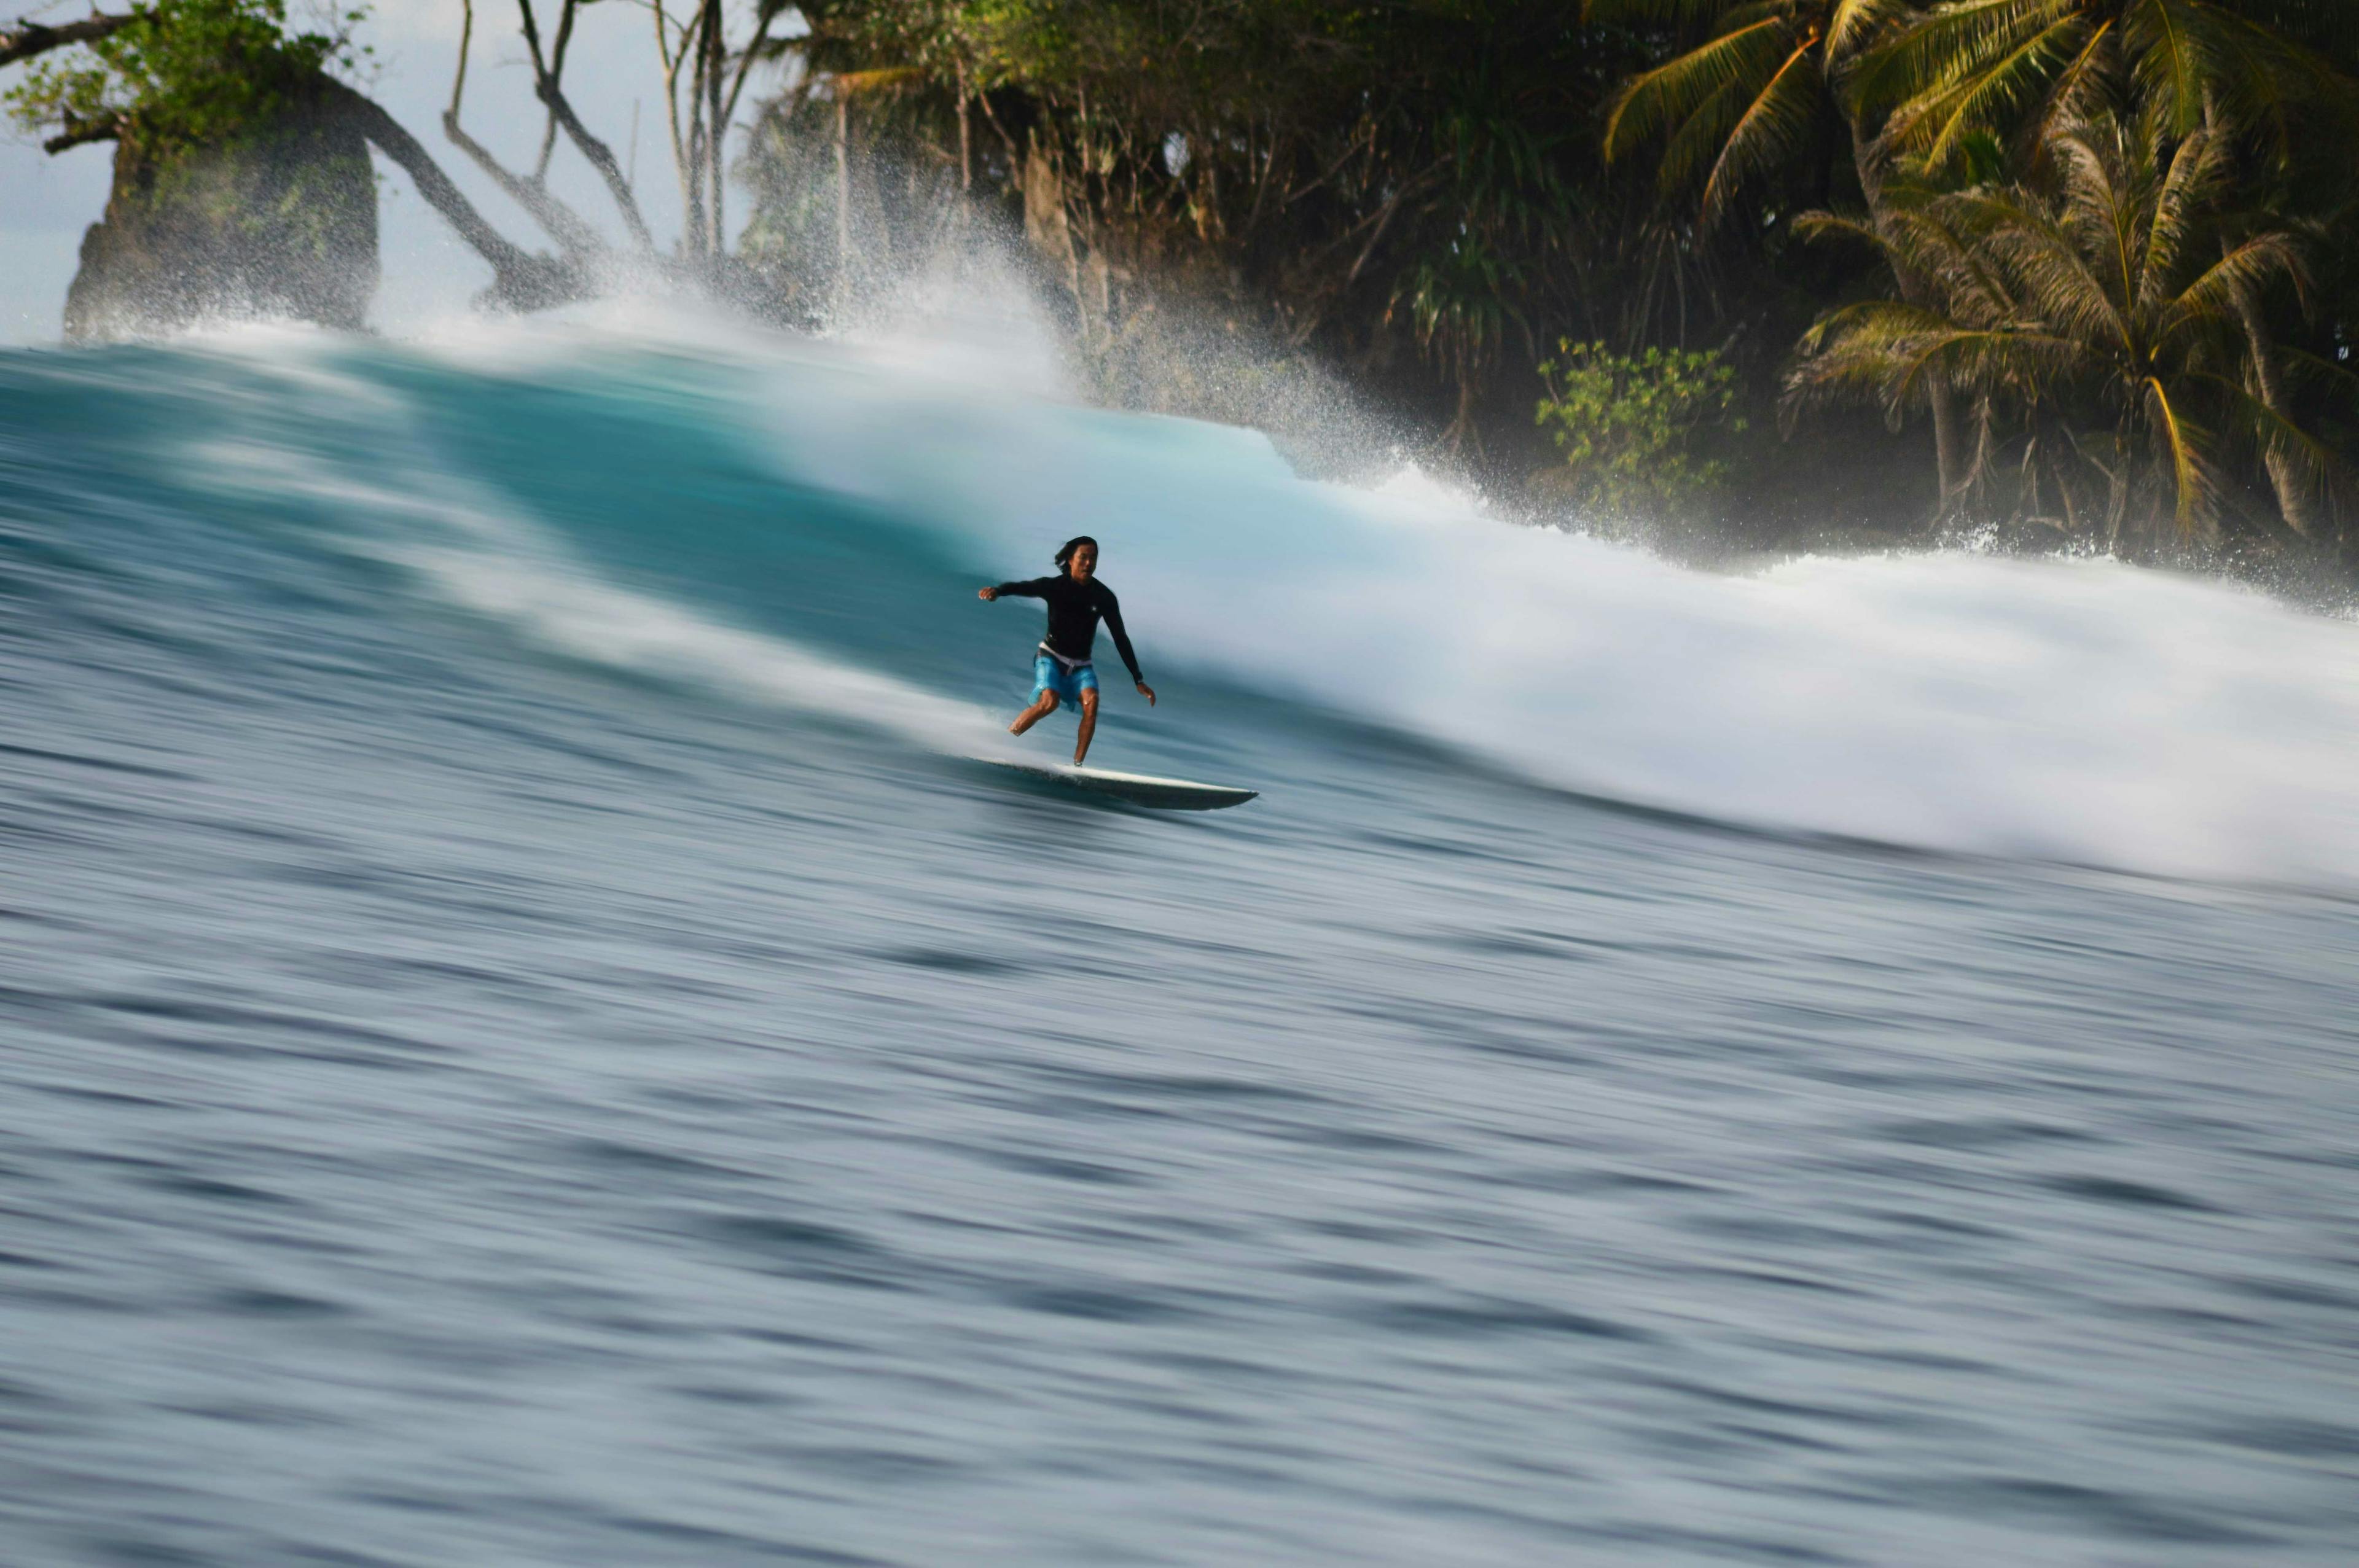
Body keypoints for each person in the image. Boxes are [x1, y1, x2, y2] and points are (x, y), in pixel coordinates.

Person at [979, 536, 1156, 766]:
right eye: (1083, 557)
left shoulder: (1104, 597)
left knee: (1092, 703)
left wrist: (1138, 679)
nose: (1089, 563)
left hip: (1081, 665)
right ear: (1070, 560)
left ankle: (1077, 767)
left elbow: (1120, 638)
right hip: (1051, 656)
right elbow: (1023, 587)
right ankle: (1005, 740)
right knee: (1049, 702)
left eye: (1093, 558)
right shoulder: (1055, 587)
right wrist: (998, 591)